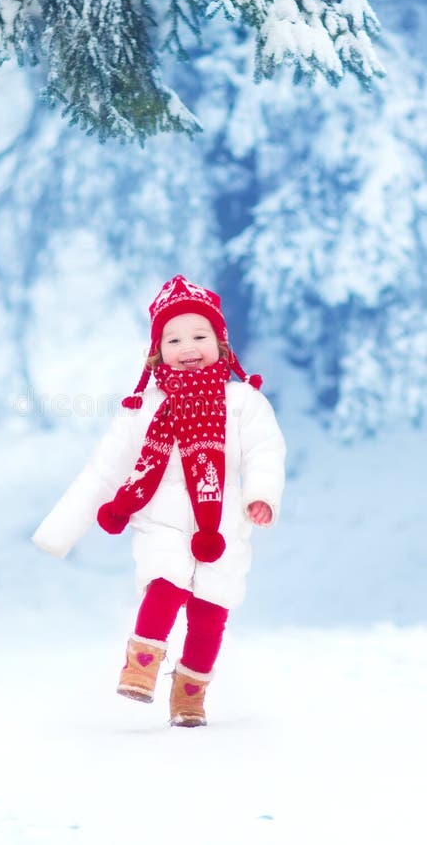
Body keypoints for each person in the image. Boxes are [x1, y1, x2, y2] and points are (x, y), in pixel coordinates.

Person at [32, 275, 286, 727]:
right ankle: (141, 666)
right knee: (164, 582)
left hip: (223, 526)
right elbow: (103, 471)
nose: (188, 346)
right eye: (174, 338)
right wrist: (59, 531)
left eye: (199, 336)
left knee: (211, 611)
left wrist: (261, 494)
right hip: (161, 519)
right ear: (156, 351)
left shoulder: (242, 402)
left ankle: (190, 698)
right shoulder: (143, 407)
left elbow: (266, 449)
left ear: (222, 345)